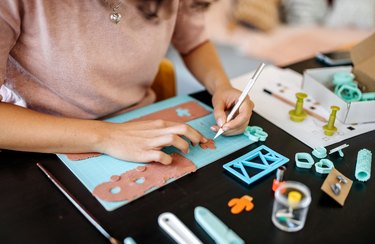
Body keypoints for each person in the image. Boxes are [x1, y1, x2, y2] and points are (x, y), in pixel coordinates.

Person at [0, 0, 253, 165]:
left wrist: (221, 86)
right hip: (41, 146)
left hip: (139, 125)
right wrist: (106, 136)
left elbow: (193, 42)